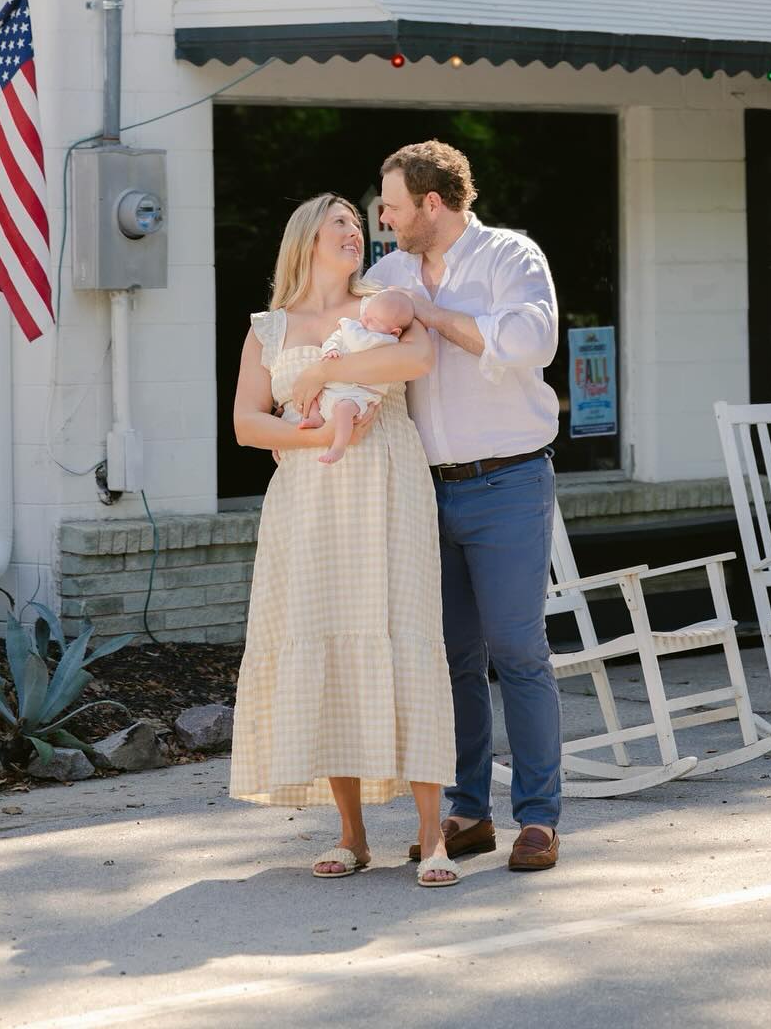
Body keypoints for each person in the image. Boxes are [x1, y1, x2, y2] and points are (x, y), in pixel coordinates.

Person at [229, 194, 460, 888]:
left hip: (388, 484)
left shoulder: (383, 304)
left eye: (358, 225)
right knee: (326, 635)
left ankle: (432, 835)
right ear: (307, 238)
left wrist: (324, 375)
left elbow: (418, 360)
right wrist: (313, 437)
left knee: (406, 633)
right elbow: (246, 424)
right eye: (342, 223)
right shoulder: (268, 329)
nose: (356, 231)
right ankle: (352, 835)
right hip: (308, 496)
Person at [356, 140, 564, 873]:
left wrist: (431, 315)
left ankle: (538, 818)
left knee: (517, 651)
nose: (383, 219)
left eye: (391, 207)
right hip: (421, 488)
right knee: (450, 658)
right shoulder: (387, 274)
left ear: (432, 204)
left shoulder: (511, 257)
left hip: (508, 483)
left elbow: (531, 342)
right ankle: (469, 811)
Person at [295, 288, 417, 466]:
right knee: (314, 393)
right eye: (365, 314)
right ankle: (315, 416)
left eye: (372, 320)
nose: (364, 320)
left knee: (344, 409)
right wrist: (331, 349)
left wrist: (346, 324)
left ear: (394, 332)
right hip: (335, 388)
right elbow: (335, 338)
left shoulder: (386, 341)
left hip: (359, 394)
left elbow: (358, 343)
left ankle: (339, 446)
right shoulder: (358, 328)